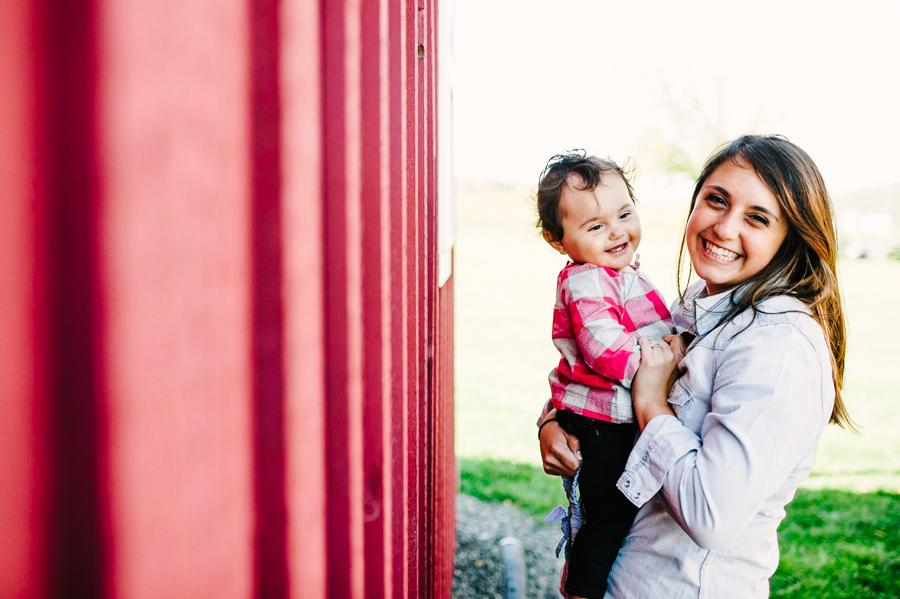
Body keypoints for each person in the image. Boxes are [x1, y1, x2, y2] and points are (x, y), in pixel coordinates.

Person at [538, 134, 851, 598]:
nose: (724, 228)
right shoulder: (699, 306)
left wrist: (649, 401)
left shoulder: (777, 343)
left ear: (793, 236)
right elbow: (604, 368)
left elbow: (712, 515)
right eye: (716, 201)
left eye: (757, 218)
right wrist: (550, 422)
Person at [534, 151, 676, 599]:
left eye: (625, 213)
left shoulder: (617, 273)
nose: (617, 230)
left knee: (610, 513)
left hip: (605, 419)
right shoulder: (587, 280)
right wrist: (665, 362)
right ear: (557, 239)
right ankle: (582, 591)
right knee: (608, 517)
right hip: (601, 426)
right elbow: (604, 348)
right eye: (595, 226)